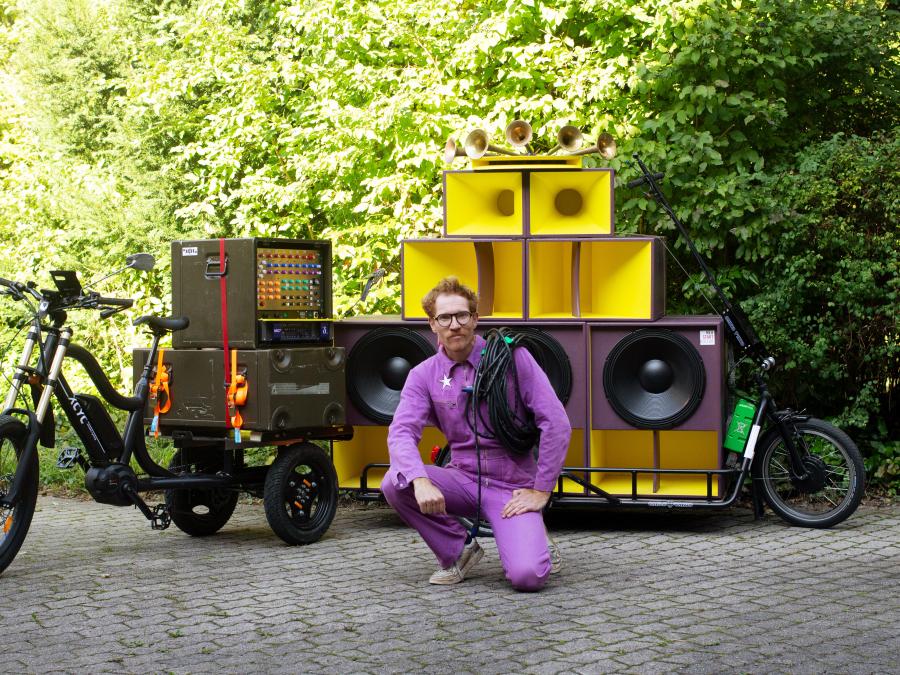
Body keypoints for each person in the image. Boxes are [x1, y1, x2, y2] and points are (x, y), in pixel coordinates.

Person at [381, 277, 571, 591]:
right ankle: (458, 550)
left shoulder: (513, 359)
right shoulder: (423, 375)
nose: (454, 324)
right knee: (395, 482)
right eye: (445, 317)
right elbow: (401, 432)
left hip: (511, 488)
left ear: (475, 319)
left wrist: (542, 489)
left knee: (528, 577)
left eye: (462, 315)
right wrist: (420, 479)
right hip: (462, 479)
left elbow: (556, 422)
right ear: (433, 324)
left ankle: (533, 537)